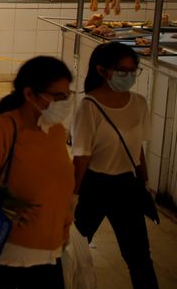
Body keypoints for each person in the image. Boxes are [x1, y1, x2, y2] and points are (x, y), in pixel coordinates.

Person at [0, 56, 75, 289]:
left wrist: (63, 231)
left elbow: (61, 187)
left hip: (50, 257)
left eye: (67, 95)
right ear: (30, 94)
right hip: (8, 258)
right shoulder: (2, 129)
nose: (64, 102)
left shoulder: (56, 131)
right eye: (57, 96)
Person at [72, 42, 159, 289]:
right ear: (102, 71)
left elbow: (137, 149)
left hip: (126, 186)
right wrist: (72, 197)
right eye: (122, 70)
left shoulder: (139, 104)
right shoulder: (89, 107)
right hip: (93, 186)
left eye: (133, 70)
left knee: (139, 258)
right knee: (71, 248)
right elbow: (81, 158)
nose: (129, 76)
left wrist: (144, 181)